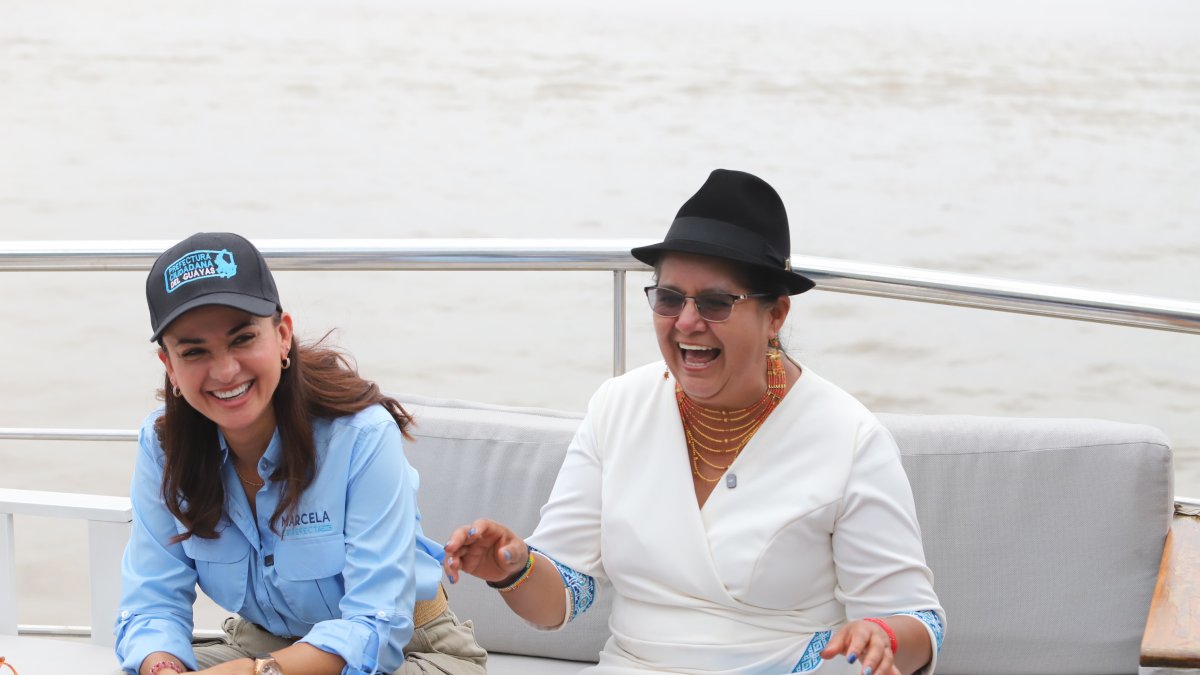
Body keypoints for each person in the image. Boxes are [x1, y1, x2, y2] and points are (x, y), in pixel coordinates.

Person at [442, 170, 946, 674]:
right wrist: (512, 568)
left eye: (715, 303)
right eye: (669, 298)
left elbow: (919, 622)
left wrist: (880, 633)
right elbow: (563, 596)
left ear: (776, 316)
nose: (686, 321)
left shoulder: (850, 437)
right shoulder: (618, 406)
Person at [115, 232, 487, 675]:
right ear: (170, 367)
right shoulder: (162, 447)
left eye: (242, 338)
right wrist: (161, 667)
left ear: (282, 335)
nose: (225, 370)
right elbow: (152, 603)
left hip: (411, 652)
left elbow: (376, 626)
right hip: (262, 646)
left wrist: (257, 673)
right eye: (194, 351)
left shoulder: (362, 437)